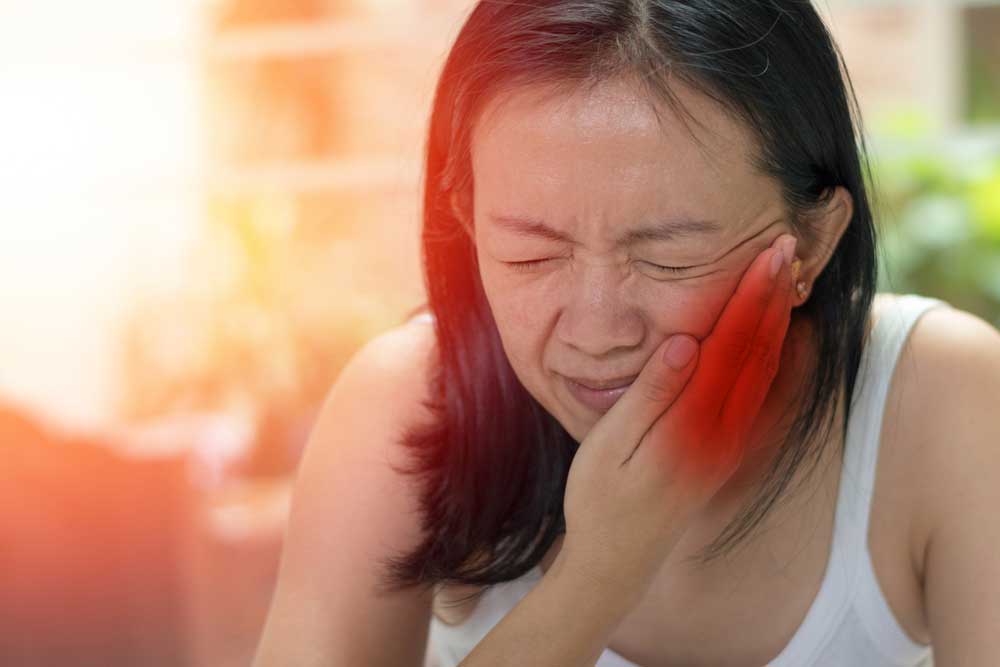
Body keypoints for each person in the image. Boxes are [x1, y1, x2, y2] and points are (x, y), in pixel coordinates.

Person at [251, 1, 1000, 666]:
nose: (597, 328)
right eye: (531, 254)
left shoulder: (942, 402)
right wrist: (601, 572)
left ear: (811, 238)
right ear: (466, 220)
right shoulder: (406, 405)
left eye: (668, 255)